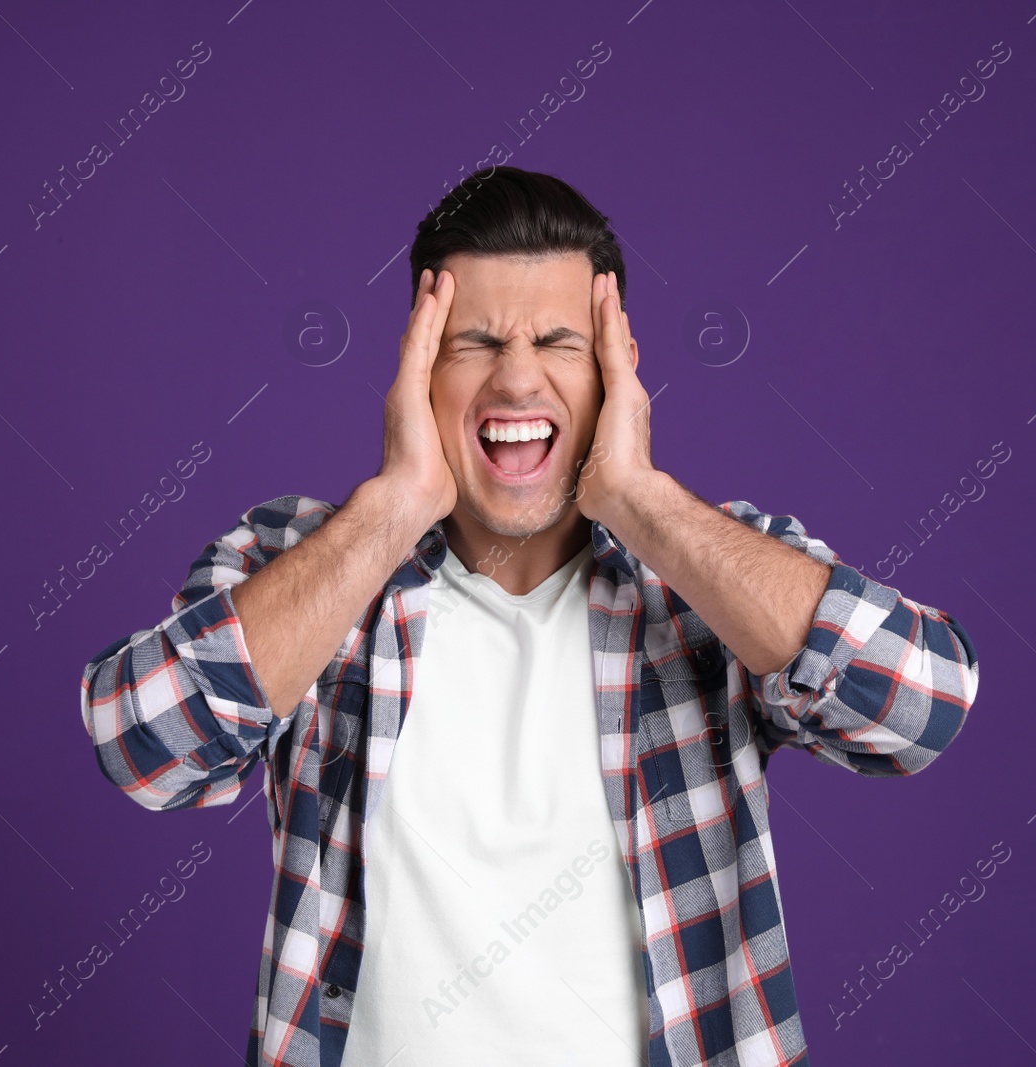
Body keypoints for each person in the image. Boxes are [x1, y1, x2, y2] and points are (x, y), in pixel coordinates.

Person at [80, 166, 980, 1067]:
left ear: (616, 372)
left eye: (558, 341)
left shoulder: (707, 571)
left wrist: (640, 500)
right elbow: (144, 746)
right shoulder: (301, 556)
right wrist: (395, 506)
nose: (516, 381)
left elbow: (921, 707)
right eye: (473, 342)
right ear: (418, 369)